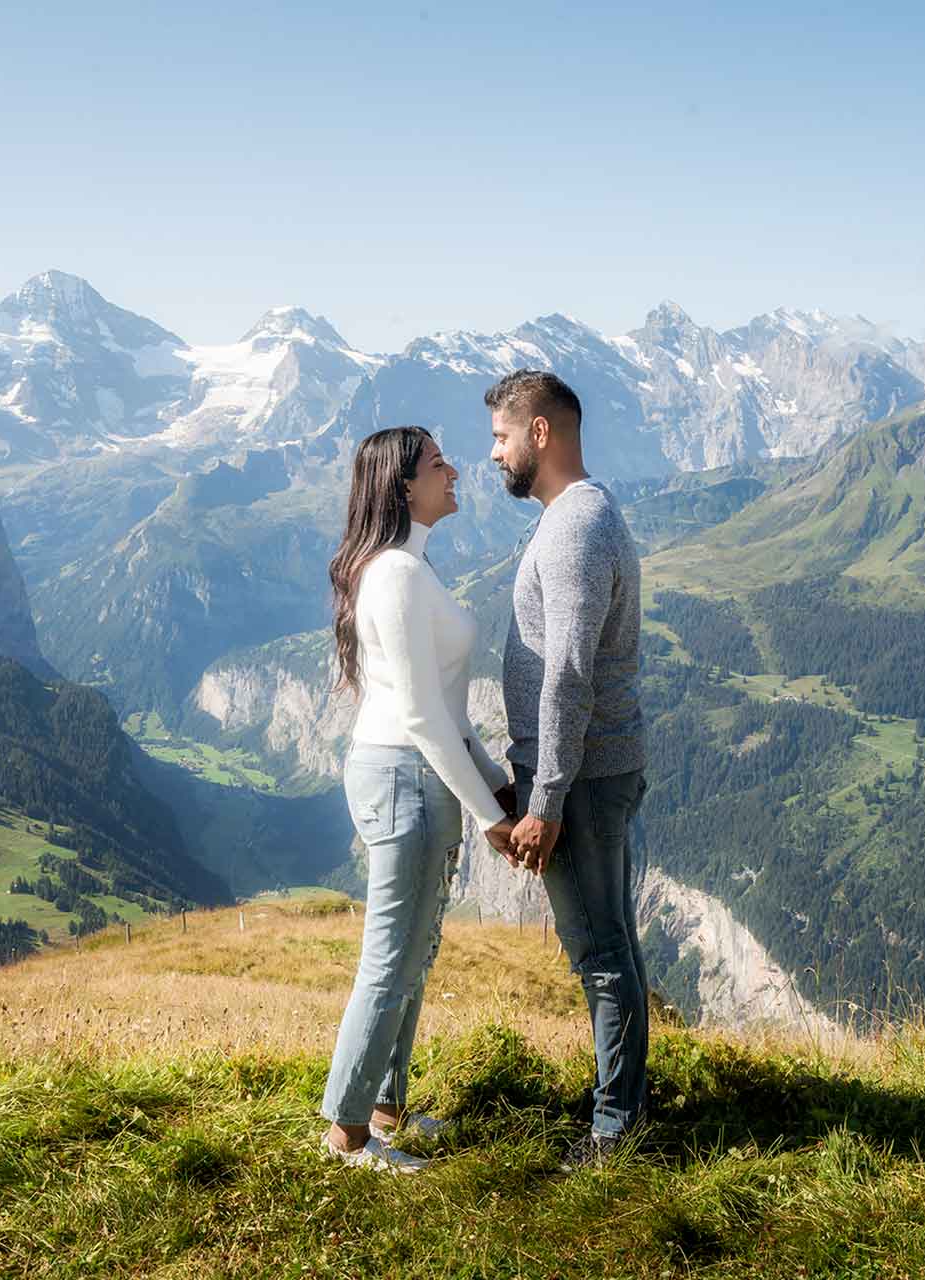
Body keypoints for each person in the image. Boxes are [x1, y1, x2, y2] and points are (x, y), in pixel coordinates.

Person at [318, 425, 520, 1174]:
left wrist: (492, 776)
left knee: (415, 953)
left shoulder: (406, 568)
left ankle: (384, 1110)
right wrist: (493, 817)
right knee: (391, 957)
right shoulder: (398, 577)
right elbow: (421, 716)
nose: (456, 469)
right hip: (404, 774)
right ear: (404, 486)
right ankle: (345, 1135)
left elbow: (444, 709)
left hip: (418, 772)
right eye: (439, 463)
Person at [487, 369, 649, 1170]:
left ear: (540, 433)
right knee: (610, 941)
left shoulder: (577, 527)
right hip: (581, 773)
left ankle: (615, 1132)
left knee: (600, 952)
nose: (495, 455)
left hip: (580, 781)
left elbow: (570, 672)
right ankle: (624, 1109)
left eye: (502, 437)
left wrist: (545, 796)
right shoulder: (576, 517)